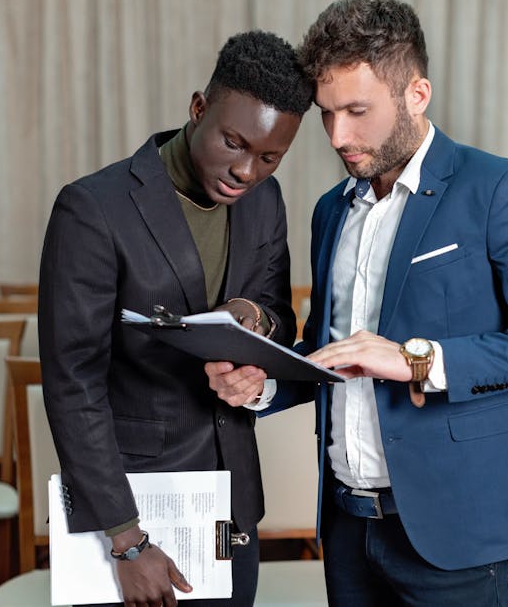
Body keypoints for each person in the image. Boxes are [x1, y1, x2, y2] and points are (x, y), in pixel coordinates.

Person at [206, 0, 508, 606]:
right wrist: (262, 386)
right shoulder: (330, 210)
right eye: (327, 114)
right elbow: (327, 353)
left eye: (357, 111)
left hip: (456, 526)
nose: (338, 136)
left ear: (417, 94)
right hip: (344, 525)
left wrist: (417, 359)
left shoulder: (498, 187)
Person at [38, 30, 313, 607]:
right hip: (135, 511)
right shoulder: (93, 209)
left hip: (231, 501)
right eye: (233, 142)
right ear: (197, 109)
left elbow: (279, 317)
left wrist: (250, 319)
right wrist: (127, 542)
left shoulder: (267, 201)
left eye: (269, 157)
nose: (246, 171)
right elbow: (73, 383)